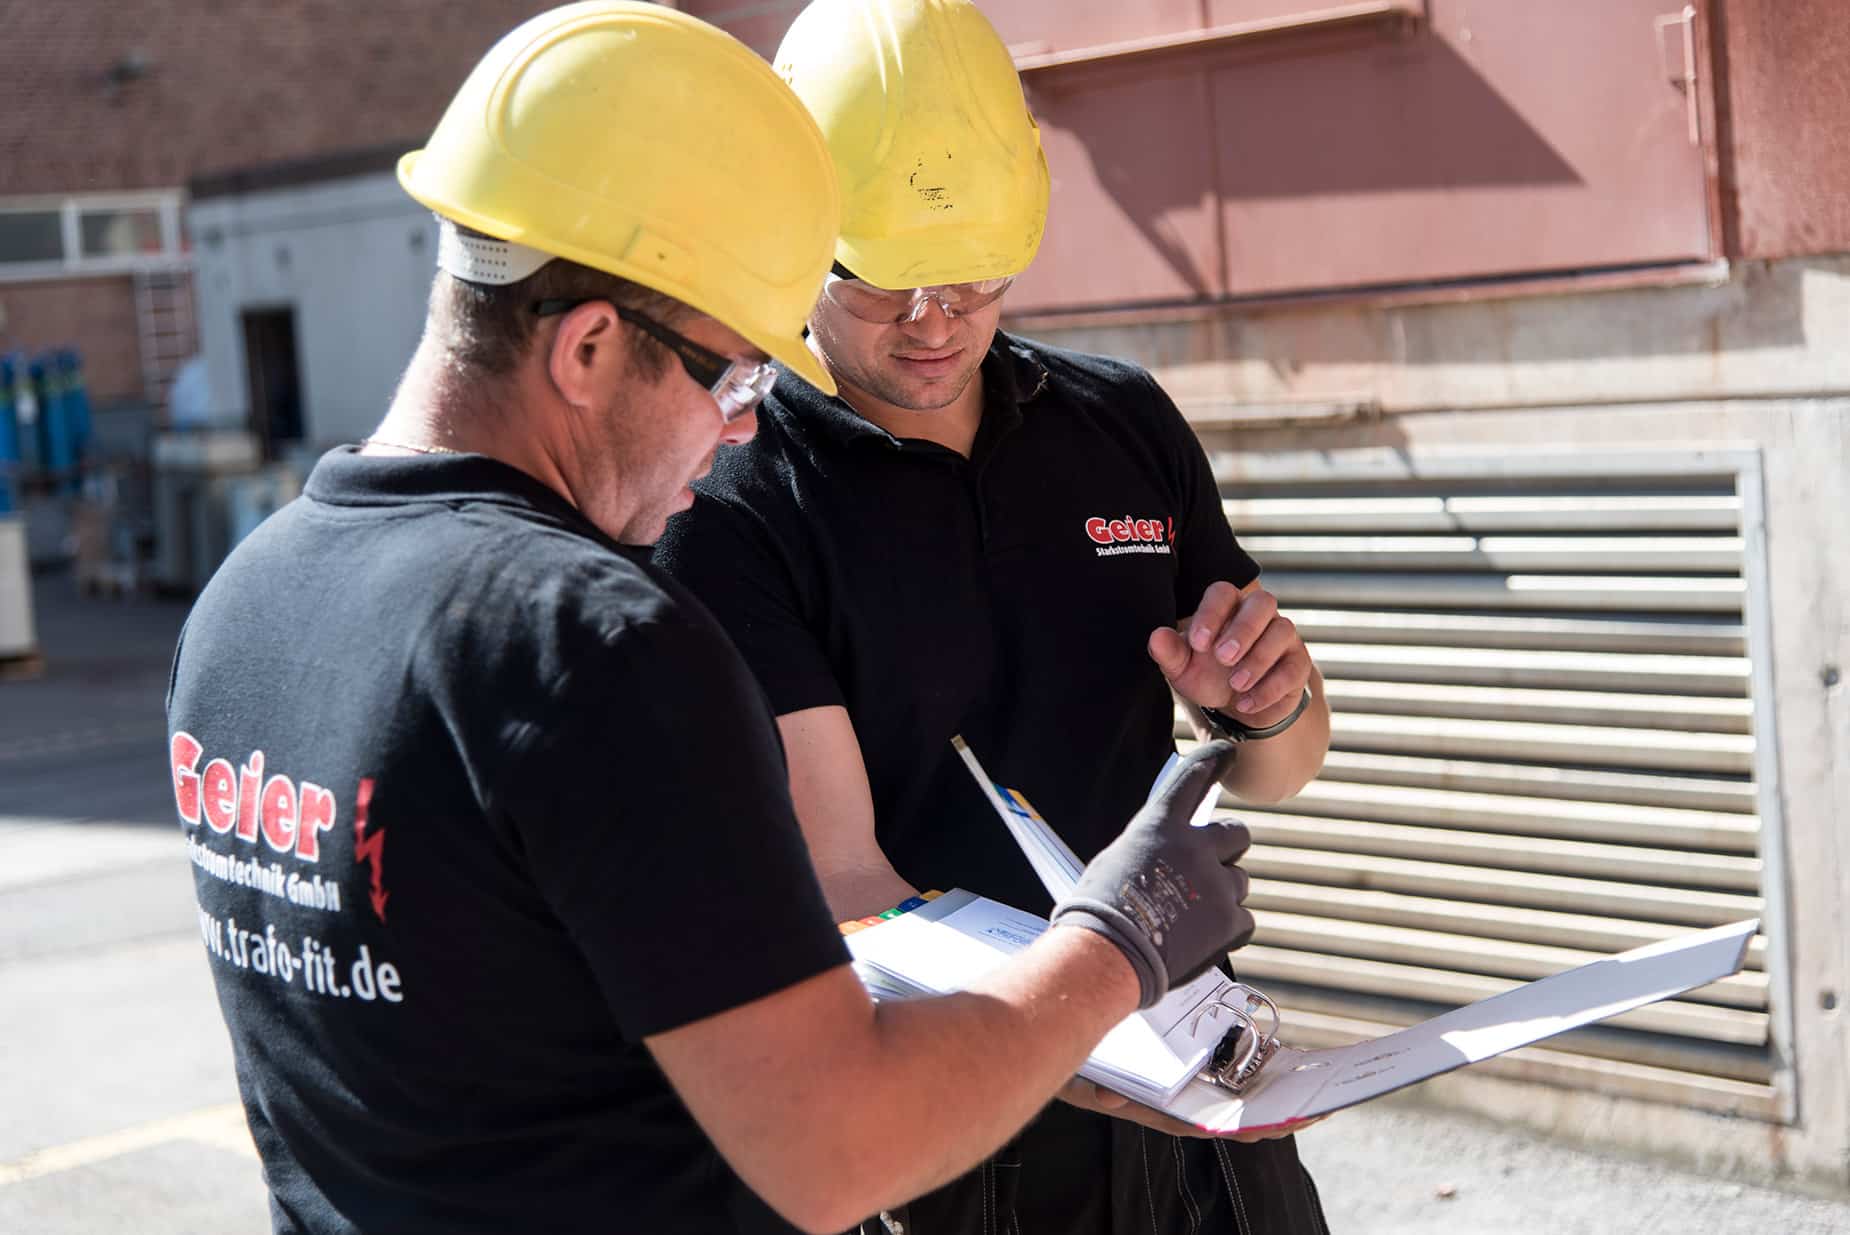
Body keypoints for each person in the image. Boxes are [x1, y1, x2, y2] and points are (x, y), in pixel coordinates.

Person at [163, 6, 1263, 1233]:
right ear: (586, 347)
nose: (742, 425)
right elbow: (838, 1145)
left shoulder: (243, 605)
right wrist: (1120, 939)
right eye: (731, 374)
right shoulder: (590, 648)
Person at [652, 1, 1335, 1232]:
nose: (932, 319)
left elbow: (1282, 769)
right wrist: (1087, 998)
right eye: (882, 279)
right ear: (797, 233)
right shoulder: (739, 493)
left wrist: (1269, 701)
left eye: (968, 271)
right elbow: (850, 882)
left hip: (1195, 1089)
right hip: (957, 1126)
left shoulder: (1117, 420)